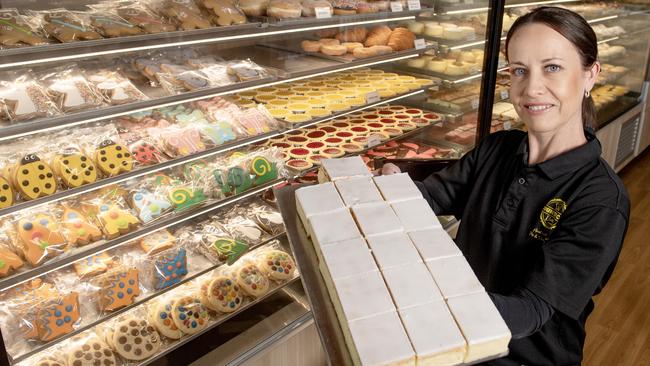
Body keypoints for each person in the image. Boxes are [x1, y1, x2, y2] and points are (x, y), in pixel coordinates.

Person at [382, 7, 630, 366]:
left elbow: (530, 311)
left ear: (591, 75)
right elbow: (435, 195)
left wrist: (420, 296)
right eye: (519, 71)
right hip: (453, 344)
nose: (531, 88)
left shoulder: (600, 200)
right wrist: (391, 190)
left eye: (553, 67)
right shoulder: (498, 149)